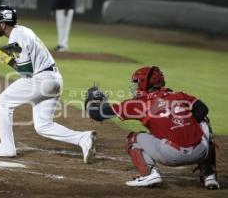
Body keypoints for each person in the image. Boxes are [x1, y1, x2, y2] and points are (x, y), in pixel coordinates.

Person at [0, 5, 96, 164]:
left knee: (4, 101)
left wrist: (5, 59)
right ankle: (83, 138)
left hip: (42, 80)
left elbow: (26, 70)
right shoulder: (22, 31)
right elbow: (14, 48)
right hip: (54, 80)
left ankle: (7, 147)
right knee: (43, 125)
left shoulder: (17, 36)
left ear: (3, 24)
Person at [85, 66, 221, 189]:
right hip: (200, 151)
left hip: (171, 154)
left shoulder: (139, 104)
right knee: (204, 121)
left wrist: (91, 99)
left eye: (137, 82)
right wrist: (183, 124)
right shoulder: (178, 96)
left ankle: (149, 174)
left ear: (144, 83)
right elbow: (203, 109)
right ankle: (209, 176)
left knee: (133, 138)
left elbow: (97, 114)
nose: (136, 86)